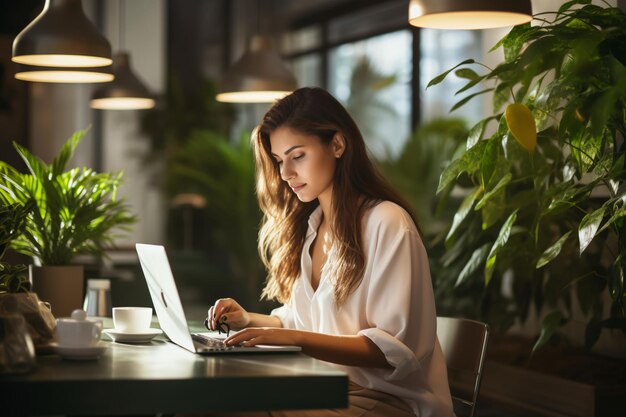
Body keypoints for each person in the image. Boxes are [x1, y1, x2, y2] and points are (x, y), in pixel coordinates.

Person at [206, 87, 454, 417]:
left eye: (298, 156)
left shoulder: (387, 223)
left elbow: (392, 351)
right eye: (279, 161)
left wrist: (294, 338)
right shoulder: (311, 229)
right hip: (324, 387)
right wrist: (247, 320)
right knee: (205, 405)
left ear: (337, 144)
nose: (285, 174)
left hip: (387, 400)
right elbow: (305, 320)